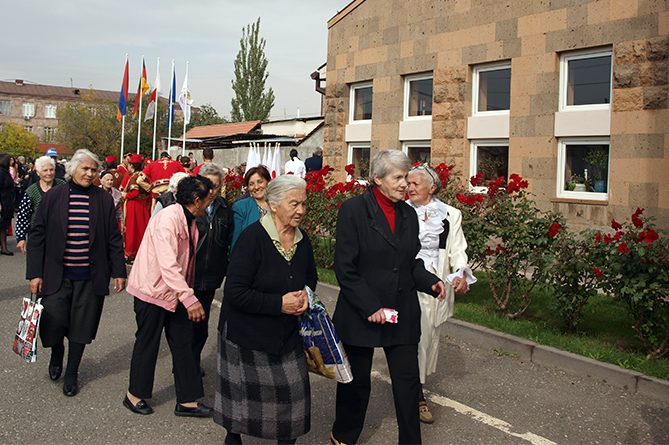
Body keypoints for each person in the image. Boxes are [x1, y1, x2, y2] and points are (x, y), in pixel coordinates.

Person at [330, 149, 446, 445]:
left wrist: (431, 282)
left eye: (407, 177)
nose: (406, 183)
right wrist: (371, 306)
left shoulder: (408, 213)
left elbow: (409, 263)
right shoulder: (353, 210)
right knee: (357, 385)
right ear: (378, 178)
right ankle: (344, 437)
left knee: (407, 385)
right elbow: (345, 269)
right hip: (361, 312)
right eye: (399, 177)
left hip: (401, 310)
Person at [214, 174, 316, 445]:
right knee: (238, 405)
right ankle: (232, 439)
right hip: (245, 336)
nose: (301, 211)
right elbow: (234, 292)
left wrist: (305, 295)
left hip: (285, 336)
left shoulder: (302, 240)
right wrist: (279, 303)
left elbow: (311, 278)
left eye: (304, 204)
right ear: (273, 204)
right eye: (294, 204)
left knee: (294, 402)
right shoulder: (252, 238)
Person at [26, 149, 127, 397]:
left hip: (90, 275)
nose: (90, 173)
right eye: (86, 169)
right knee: (54, 322)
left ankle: (72, 371)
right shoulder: (55, 196)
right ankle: (57, 352)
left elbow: (114, 238)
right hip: (56, 274)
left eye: (94, 170)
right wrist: (34, 274)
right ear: (73, 169)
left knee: (82, 326)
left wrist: (119, 272)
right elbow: (37, 235)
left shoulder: (103, 199)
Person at [123, 175, 215, 417]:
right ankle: (134, 395)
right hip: (151, 291)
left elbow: (187, 262)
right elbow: (168, 265)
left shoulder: (191, 219)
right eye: (208, 199)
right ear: (197, 200)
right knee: (148, 342)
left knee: (184, 343)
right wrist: (190, 298)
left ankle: (188, 401)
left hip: (175, 292)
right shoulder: (168, 219)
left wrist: (185, 293)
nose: (209, 204)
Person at [406, 164, 474, 424]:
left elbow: (457, 249)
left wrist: (460, 273)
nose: (409, 188)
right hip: (408, 281)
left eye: (415, 184)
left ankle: (415, 387)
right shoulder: (401, 212)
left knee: (428, 336)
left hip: (437, 284)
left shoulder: (450, 214)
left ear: (432, 187)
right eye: (408, 183)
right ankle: (416, 395)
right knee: (416, 337)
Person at [192, 163, 233, 374]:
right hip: (188, 275)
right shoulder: (189, 206)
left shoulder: (225, 208)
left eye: (215, 186)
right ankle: (184, 364)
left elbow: (228, 241)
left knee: (201, 325)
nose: (210, 190)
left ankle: (193, 360)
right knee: (183, 325)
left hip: (210, 277)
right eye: (206, 184)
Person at [16, 156, 66, 254]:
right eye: (45, 170)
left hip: (59, 235)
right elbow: (23, 216)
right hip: (38, 235)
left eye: (51, 170)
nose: (49, 173)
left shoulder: (63, 187)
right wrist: (20, 238)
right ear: (38, 173)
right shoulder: (31, 192)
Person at [230, 165, 271, 250]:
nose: (256, 187)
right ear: (248, 188)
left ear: (268, 182)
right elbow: (236, 241)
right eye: (251, 184)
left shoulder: (278, 205)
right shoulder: (241, 207)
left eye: (260, 182)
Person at [121, 154, 150, 263]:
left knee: (132, 228)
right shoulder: (143, 176)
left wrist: (125, 195)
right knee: (141, 228)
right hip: (142, 204)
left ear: (131, 165)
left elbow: (134, 193)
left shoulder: (134, 177)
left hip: (133, 205)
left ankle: (131, 252)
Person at [100, 170, 125, 235]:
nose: (110, 182)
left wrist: (122, 222)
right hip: (99, 221)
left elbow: (118, 209)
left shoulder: (117, 193)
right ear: (101, 181)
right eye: (107, 180)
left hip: (112, 221)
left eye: (111, 180)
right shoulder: (96, 193)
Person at [0, 154, 16, 255]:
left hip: (7, 202)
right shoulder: (1, 172)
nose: (12, 162)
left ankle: (4, 247)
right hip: (2, 202)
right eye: (10, 160)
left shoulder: (5, 171)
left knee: (3, 226)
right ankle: (4, 247)